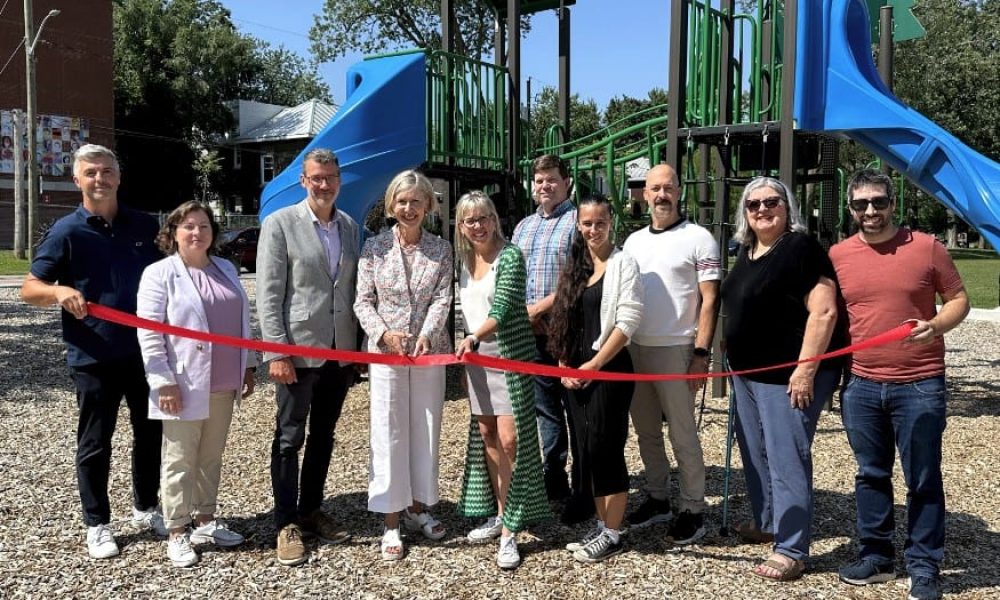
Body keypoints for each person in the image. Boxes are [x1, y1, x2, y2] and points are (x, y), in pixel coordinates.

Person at [21, 144, 166, 559]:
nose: (99, 179)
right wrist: (58, 290)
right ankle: (98, 523)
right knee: (96, 442)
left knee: (150, 434)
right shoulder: (66, 232)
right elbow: (30, 288)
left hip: (145, 352)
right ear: (77, 180)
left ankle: (146, 507)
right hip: (93, 356)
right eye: (91, 173)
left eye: (106, 171)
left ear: (119, 177)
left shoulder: (144, 226)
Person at [831, 170, 969, 600]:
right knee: (870, 475)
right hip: (862, 383)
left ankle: (924, 565)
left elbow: (960, 299)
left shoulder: (927, 247)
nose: (870, 211)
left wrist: (937, 324)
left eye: (878, 202)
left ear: (893, 203)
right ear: (850, 208)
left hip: (920, 383)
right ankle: (876, 556)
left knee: (923, 477)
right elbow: (825, 313)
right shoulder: (837, 255)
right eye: (860, 204)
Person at [720, 176, 845, 582]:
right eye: (753, 205)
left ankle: (791, 547)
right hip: (747, 374)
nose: (761, 209)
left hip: (787, 375)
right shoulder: (749, 251)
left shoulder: (800, 248)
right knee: (756, 454)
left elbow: (824, 311)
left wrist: (806, 368)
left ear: (787, 206)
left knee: (786, 457)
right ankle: (767, 522)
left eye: (771, 201)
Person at [136, 201, 257, 568]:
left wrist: (248, 365)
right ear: (173, 232)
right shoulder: (160, 274)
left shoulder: (225, 268)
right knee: (179, 459)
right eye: (188, 226)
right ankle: (176, 530)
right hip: (183, 384)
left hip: (223, 382)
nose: (197, 233)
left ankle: (205, 520)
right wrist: (162, 382)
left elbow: (242, 322)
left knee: (210, 457)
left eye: (204, 226)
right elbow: (151, 333)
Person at [257, 148, 360, 566]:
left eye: (331, 177)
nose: (324, 184)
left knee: (324, 435)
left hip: (339, 350)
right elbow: (268, 293)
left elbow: (352, 290)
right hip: (297, 352)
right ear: (304, 180)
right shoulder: (280, 224)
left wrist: (357, 350)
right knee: (288, 437)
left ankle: (311, 509)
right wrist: (276, 350)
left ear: (339, 180)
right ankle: (285, 522)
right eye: (317, 177)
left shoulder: (350, 227)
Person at [354, 170, 453, 561]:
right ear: (391, 205)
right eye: (402, 201)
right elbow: (363, 300)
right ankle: (391, 520)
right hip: (388, 355)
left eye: (416, 201)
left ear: (428, 205)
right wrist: (383, 335)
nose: (408, 208)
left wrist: (428, 332)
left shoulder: (442, 249)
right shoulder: (374, 248)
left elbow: (443, 299)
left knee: (425, 429)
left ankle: (418, 507)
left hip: (429, 353)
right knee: (390, 431)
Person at [621, 164, 720, 544]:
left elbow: (710, 299)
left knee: (683, 434)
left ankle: (693, 506)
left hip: (677, 347)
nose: (661, 195)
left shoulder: (699, 239)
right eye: (654, 188)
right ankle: (658, 496)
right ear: (644, 194)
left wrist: (700, 352)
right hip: (635, 347)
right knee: (646, 430)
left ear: (679, 191)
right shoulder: (633, 242)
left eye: (668, 188)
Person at [453, 191, 550, 570]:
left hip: (507, 354)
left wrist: (476, 336)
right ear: (461, 226)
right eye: (469, 220)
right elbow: (464, 310)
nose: (478, 226)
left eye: (483, 218)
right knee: (487, 435)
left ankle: (512, 529)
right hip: (475, 357)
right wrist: (468, 346)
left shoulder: (510, 256)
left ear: (494, 219)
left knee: (512, 439)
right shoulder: (463, 259)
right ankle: (500, 512)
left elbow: (506, 305)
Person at [545, 194, 642, 563]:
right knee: (586, 450)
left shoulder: (623, 263)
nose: (593, 229)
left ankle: (614, 532)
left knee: (606, 449)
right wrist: (566, 362)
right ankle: (603, 524)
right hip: (577, 371)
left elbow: (627, 322)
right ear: (578, 224)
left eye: (600, 222)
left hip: (609, 369)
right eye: (586, 223)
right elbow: (566, 320)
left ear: (610, 222)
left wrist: (594, 365)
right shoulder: (578, 264)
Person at [511, 154, 591, 522]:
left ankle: (583, 485)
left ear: (567, 182)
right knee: (545, 408)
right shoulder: (523, 227)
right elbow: (512, 275)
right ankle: (553, 474)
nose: (545, 186)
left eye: (552, 180)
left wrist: (541, 310)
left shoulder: (579, 222)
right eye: (539, 180)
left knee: (577, 410)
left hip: (569, 330)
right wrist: (524, 315)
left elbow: (580, 276)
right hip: (532, 333)